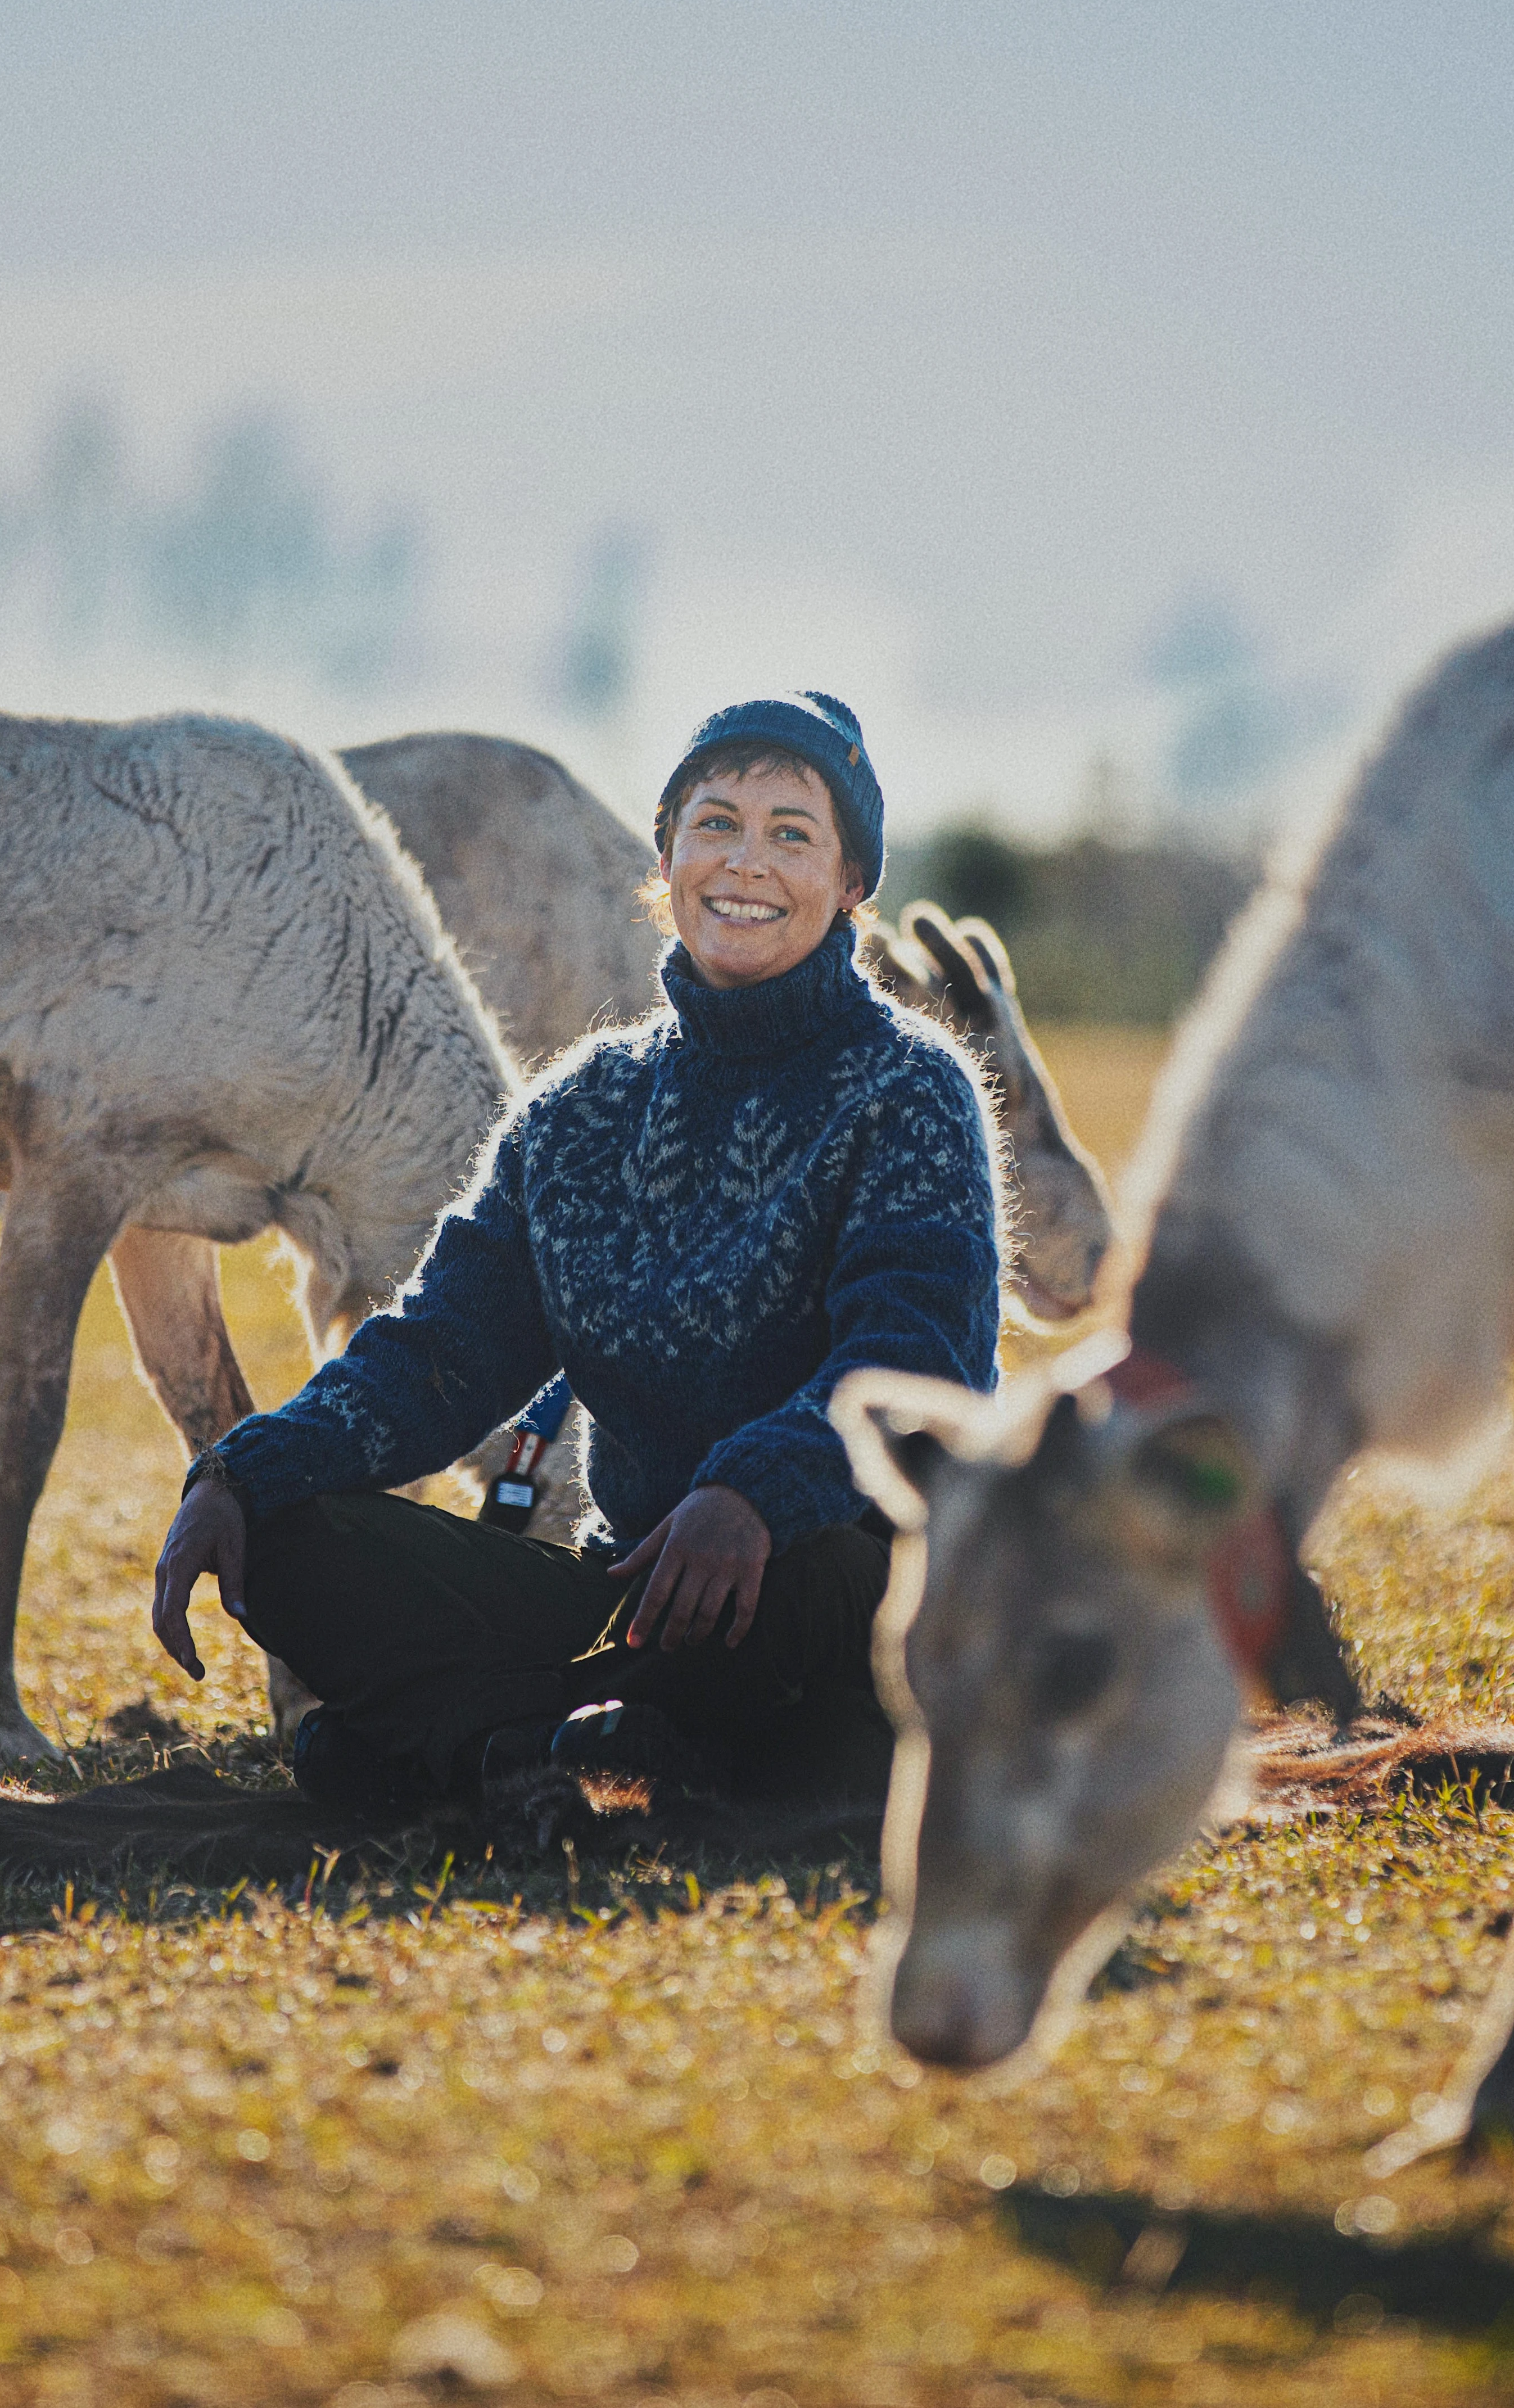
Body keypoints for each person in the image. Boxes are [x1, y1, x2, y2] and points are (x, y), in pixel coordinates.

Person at [147, 692, 1006, 1814]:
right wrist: (242, 1470)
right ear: (666, 858)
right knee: (292, 1536)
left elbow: (914, 1364)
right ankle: (570, 1751)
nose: (746, 860)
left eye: (793, 833)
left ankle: (474, 1751)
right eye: (716, 823)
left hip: (840, 1591)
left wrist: (749, 1492)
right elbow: (437, 1352)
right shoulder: (582, 1112)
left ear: (851, 885)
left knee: (805, 1570)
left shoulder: (908, 1091)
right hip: (633, 1591)